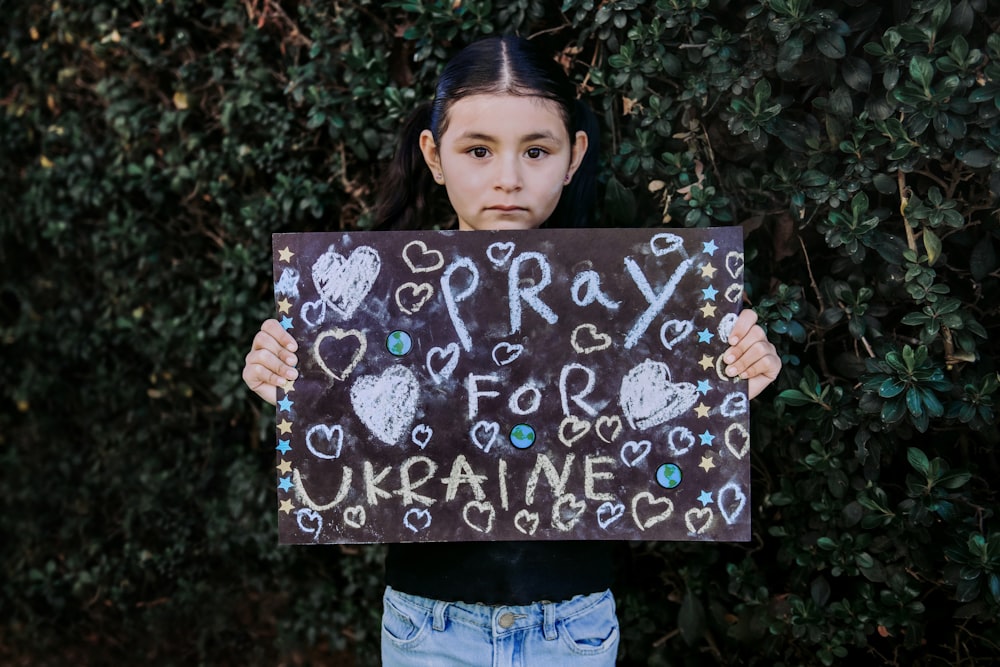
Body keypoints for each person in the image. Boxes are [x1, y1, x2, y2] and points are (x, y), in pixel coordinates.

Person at [242, 35, 782, 666]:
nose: (508, 179)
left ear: (573, 155)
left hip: (573, 628)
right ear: (434, 155)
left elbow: (657, 449)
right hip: (427, 627)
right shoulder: (376, 299)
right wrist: (291, 385)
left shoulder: (622, 297)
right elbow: (351, 461)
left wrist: (728, 382)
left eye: (536, 150)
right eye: (478, 150)